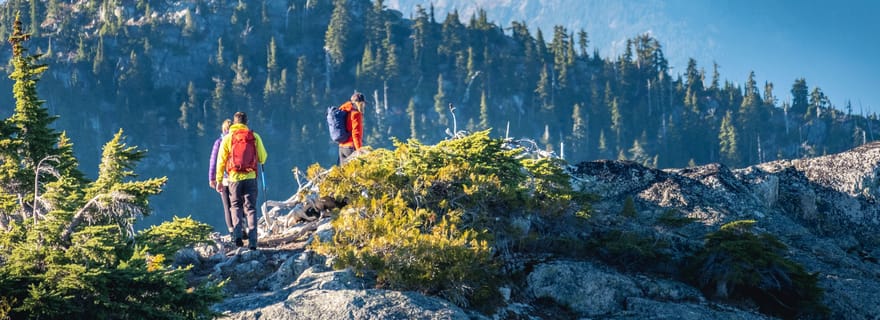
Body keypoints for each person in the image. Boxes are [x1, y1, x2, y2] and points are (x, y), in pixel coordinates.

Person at [215, 112, 268, 250]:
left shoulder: (228, 138)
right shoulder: (254, 136)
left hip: (234, 178)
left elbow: (220, 161)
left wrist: (219, 180)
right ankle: (253, 241)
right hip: (251, 177)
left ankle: (237, 236)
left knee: (235, 206)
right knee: (250, 208)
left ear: (234, 122)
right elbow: (263, 158)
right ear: (246, 122)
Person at [209, 119, 233, 236]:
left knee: (227, 206)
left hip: (223, 179)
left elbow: (213, 161)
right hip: (237, 177)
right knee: (238, 204)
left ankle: (232, 231)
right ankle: (242, 227)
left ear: (223, 130)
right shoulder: (237, 141)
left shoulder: (219, 142)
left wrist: (211, 178)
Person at [338, 92, 365, 165]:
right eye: (362, 104)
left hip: (342, 147)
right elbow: (356, 134)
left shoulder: (345, 111)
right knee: (357, 170)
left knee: (344, 171)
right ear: (359, 103)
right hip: (351, 147)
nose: (363, 106)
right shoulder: (356, 114)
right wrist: (359, 150)